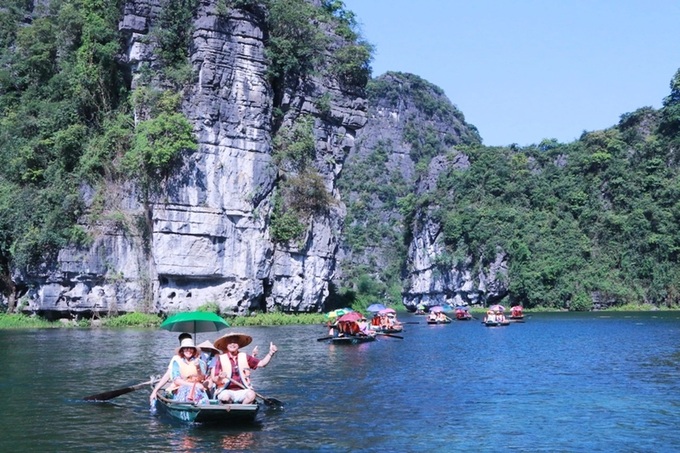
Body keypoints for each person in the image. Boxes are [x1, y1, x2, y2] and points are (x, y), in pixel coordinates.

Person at [212, 333, 278, 405]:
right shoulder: (220, 358)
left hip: (243, 390)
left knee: (252, 394)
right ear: (226, 345)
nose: (232, 344)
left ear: (238, 345)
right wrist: (220, 377)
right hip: (226, 390)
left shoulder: (245, 356)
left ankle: (243, 409)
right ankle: (229, 409)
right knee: (225, 397)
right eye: (230, 342)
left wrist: (270, 353)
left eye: (235, 342)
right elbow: (215, 380)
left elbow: (262, 363)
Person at [150, 336, 210, 405]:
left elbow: (202, 378)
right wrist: (155, 390)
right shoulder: (177, 361)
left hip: (197, 387)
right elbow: (176, 380)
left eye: (191, 349)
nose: (189, 351)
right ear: (182, 350)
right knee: (186, 392)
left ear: (194, 350)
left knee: (199, 394)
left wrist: (198, 367)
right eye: (186, 349)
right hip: (182, 386)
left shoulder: (200, 362)